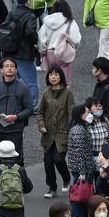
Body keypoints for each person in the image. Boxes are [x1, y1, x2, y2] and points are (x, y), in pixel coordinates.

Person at [0, 57, 33, 168]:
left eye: (12, 66)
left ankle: (18, 181)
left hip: (15, 129)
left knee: (16, 157)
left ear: (16, 70)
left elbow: (29, 109)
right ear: (1, 70)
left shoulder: (23, 88)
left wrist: (16, 116)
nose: (9, 68)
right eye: (6, 66)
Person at [36, 65, 74, 199]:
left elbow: (71, 113)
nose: (53, 77)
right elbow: (40, 111)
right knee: (48, 161)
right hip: (48, 134)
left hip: (62, 134)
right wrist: (41, 125)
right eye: (51, 74)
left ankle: (66, 178)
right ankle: (52, 187)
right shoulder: (46, 92)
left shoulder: (68, 93)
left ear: (61, 76)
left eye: (56, 74)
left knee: (58, 159)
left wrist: (70, 131)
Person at [1, 0, 42, 107]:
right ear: (27, 1)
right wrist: (35, 41)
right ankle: (33, 106)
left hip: (10, 52)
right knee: (32, 82)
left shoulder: (11, 13)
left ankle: (15, 104)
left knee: (14, 81)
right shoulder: (30, 16)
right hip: (24, 53)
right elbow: (30, 33)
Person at [66, 104, 98, 217]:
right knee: (79, 196)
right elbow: (79, 153)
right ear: (81, 115)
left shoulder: (82, 127)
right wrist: (82, 172)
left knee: (83, 195)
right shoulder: (78, 130)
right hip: (81, 169)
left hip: (84, 168)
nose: (89, 114)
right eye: (86, 112)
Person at [39, 0, 82, 84]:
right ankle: (64, 95)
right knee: (65, 79)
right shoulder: (70, 22)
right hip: (63, 52)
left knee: (53, 77)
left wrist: (43, 52)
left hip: (50, 53)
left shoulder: (47, 22)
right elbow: (76, 40)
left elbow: (41, 38)